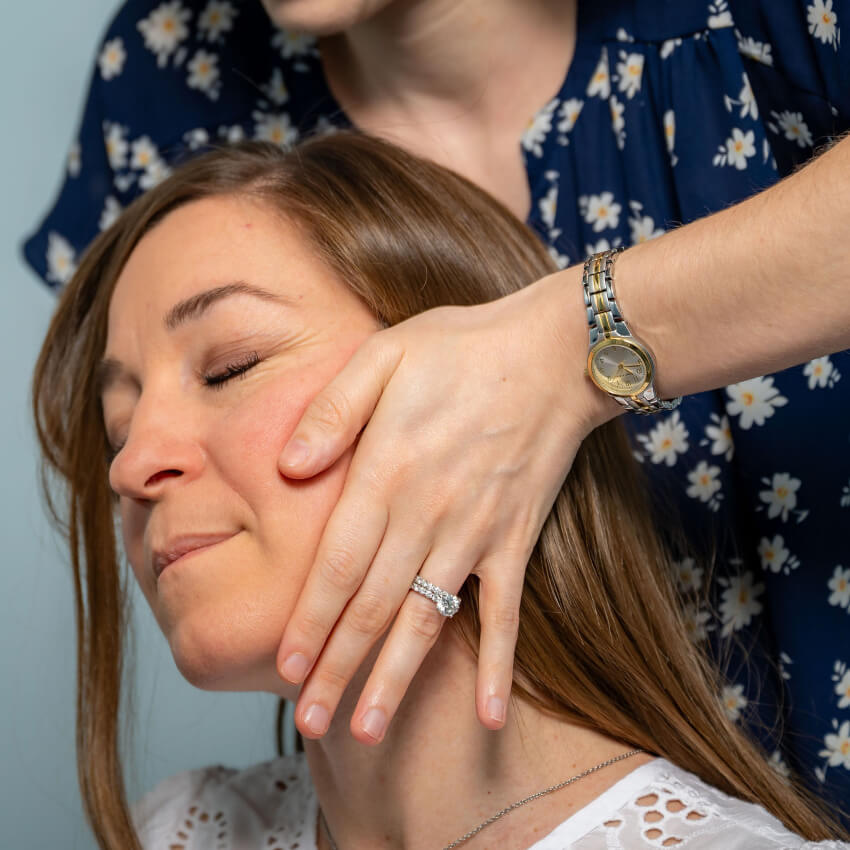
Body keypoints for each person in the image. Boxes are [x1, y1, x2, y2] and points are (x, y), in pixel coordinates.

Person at [23, 0, 850, 817]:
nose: (132, 466)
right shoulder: (169, 73)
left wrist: (565, 349)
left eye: (234, 366)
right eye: (115, 434)